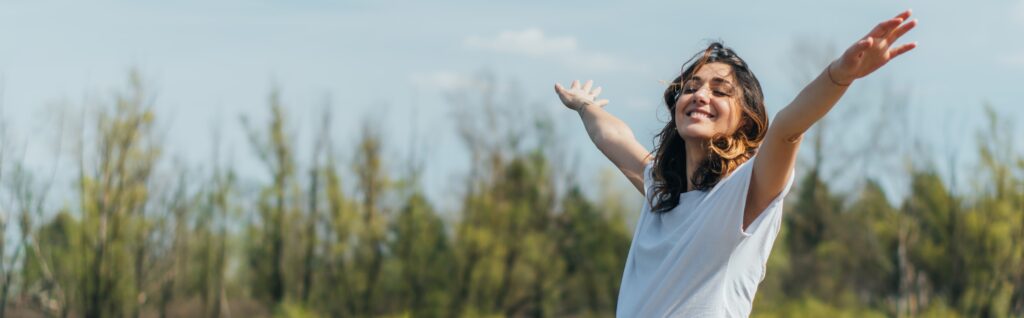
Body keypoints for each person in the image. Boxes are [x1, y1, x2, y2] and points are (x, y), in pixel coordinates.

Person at [553, 10, 917, 317]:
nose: (700, 96)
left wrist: (840, 76)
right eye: (691, 87)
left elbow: (788, 129)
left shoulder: (747, 191)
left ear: (745, 119)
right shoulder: (661, 189)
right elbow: (613, 139)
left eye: (720, 90)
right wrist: (586, 106)